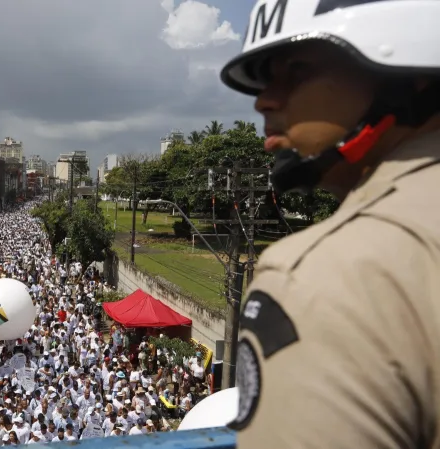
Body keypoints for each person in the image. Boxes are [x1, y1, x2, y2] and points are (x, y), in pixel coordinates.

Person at [219, 0, 440, 448]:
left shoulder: (319, 277)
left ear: (410, 74)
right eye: (263, 78)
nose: (265, 100)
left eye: (296, 69)